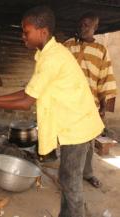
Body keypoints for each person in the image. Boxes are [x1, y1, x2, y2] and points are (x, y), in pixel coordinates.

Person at [0, 6, 104, 217]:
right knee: (68, 179)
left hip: (78, 126)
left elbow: (26, 102)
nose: (23, 36)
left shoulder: (52, 59)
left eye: (26, 31)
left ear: (43, 31)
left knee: (71, 182)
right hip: (73, 124)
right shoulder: (46, 54)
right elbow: (28, 91)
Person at [64, 12, 117, 188]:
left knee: (87, 143)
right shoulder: (68, 45)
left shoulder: (101, 51)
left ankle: (87, 173)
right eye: (81, 24)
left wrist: (102, 108)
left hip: (89, 106)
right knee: (68, 141)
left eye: (87, 25)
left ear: (95, 27)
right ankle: (67, 175)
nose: (82, 27)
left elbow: (105, 80)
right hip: (69, 104)